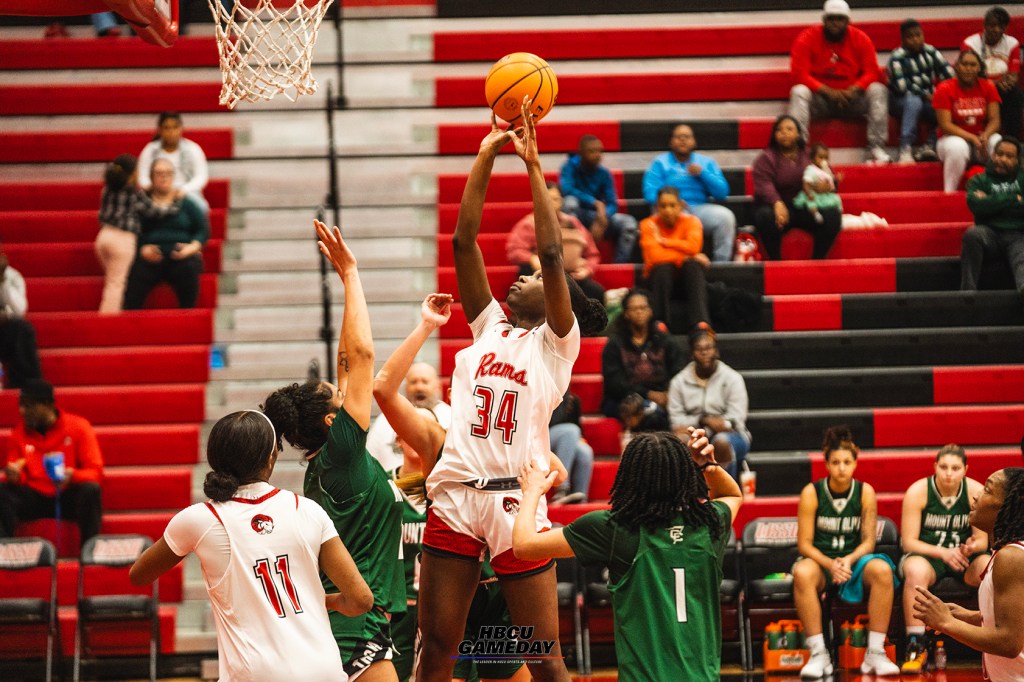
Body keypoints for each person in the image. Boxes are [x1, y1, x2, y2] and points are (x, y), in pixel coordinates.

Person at [414, 101, 607, 682]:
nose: (521, 275)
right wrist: (485, 153)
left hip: (512, 504)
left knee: (541, 657)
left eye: (537, 279)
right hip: (453, 494)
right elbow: (461, 240)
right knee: (438, 648)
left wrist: (532, 163)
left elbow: (551, 253)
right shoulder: (488, 325)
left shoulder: (556, 345)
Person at [262, 220, 406, 681]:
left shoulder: (329, 456)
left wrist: (347, 284)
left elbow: (348, 360)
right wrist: (352, 273)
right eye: (337, 394)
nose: (343, 388)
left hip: (349, 619)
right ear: (332, 420)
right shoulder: (343, 453)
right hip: (356, 624)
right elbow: (362, 357)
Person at [128, 410, 373, 681]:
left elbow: (139, 575)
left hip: (256, 674)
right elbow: (361, 600)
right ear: (272, 457)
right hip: (324, 670)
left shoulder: (200, 519)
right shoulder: (307, 509)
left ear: (215, 458)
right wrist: (319, 601)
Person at [373, 292, 540, 682]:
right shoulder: (437, 437)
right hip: (452, 590)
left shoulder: (509, 434)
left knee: (527, 669)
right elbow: (383, 391)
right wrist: (428, 326)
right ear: (455, 394)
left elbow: (556, 469)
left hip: (499, 588)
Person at [512, 430, 742, 681]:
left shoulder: (615, 528)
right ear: (686, 474)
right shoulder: (710, 524)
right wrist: (708, 466)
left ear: (630, 477)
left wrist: (532, 492)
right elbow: (732, 495)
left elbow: (523, 546)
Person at [794, 426, 900, 678]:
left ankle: (875, 653)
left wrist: (848, 561)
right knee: (801, 572)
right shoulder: (812, 492)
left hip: (854, 562)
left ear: (855, 461)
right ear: (826, 463)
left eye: (846, 462)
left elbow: (868, 543)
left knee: (883, 570)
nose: (841, 467)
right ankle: (819, 654)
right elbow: (804, 544)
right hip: (822, 562)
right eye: (835, 462)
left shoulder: (865, 492)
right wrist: (831, 564)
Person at [914, 467, 1024, 681]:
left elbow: (1010, 642)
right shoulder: (1007, 552)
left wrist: (947, 623)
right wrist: (971, 616)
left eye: (987, 490)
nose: (976, 495)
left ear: (1007, 505)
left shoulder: (1011, 557)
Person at [898, 444, 989, 673]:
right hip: (929, 557)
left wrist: (971, 547)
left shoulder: (975, 491)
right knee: (915, 571)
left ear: (965, 469)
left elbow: (982, 541)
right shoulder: (918, 491)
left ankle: (995, 634)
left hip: (964, 559)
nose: (949, 473)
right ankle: (916, 644)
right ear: (935, 467)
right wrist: (943, 552)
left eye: (955, 468)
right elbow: (908, 541)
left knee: (989, 566)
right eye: (944, 467)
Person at [0, 380, 103, 548]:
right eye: (21, 406)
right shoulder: (18, 434)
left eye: (29, 406)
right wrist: (15, 476)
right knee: (2, 491)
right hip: (35, 496)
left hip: (66, 493)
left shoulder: (79, 427)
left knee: (91, 490)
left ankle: (89, 550)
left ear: (48, 405)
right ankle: (5, 551)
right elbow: (18, 472)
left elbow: (95, 472)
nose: (22, 411)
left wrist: (74, 476)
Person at [789, 0, 891, 164]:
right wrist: (828, 91)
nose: (835, 23)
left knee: (878, 90)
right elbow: (799, 74)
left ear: (848, 21)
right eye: (831, 19)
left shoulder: (860, 39)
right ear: (824, 20)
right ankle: (799, 149)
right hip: (820, 100)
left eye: (840, 19)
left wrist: (854, 89)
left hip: (851, 100)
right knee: (799, 91)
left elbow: (872, 72)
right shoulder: (807, 38)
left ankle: (875, 148)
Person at [752, 115, 842, 261]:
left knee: (832, 215)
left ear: (798, 134)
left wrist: (828, 185)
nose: (784, 133)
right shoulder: (766, 158)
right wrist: (777, 202)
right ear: (774, 135)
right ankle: (776, 262)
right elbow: (763, 184)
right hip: (778, 206)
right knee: (764, 216)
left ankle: (817, 261)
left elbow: (829, 176)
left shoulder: (810, 155)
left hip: (805, 205)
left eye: (789, 129)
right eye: (779, 130)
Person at [641, 124, 736, 262]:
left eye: (687, 137)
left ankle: (721, 265)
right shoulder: (660, 163)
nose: (683, 140)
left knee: (725, 217)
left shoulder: (705, 163)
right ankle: (675, 262)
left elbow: (722, 193)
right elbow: (650, 193)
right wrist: (674, 204)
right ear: (671, 142)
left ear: (694, 142)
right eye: (678, 137)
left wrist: (703, 174)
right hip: (671, 209)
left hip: (699, 209)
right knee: (666, 214)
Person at [123, 158, 208, 310]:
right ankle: (132, 324)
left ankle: (187, 320)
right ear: (151, 177)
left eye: (168, 173)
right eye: (159, 173)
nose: (164, 177)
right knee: (135, 276)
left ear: (174, 177)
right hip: (150, 258)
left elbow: (202, 229)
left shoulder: (186, 203)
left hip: (181, 257)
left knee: (190, 269)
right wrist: (142, 249)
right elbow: (132, 232)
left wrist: (192, 247)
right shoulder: (140, 204)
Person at [667, 327, 751, 478]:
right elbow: (676, 423)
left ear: (716, 351)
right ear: (692, 354)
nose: (704, 353)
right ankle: (685, 495)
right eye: (699, 349)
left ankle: (723, 495)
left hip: (733, 436)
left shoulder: (732, 378)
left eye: (709, 348)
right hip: (693, 434)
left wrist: (721, 425)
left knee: (721, 442)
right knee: (679, 441)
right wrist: (703, 420)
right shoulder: (678, 382)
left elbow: (736, 420)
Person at [601, 288, 685, 436]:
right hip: (625, 399)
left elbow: (678, 372)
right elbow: (614, 383)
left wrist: (667, 394)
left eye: (643, 308)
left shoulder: (665, 340)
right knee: (649, 412)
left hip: (664, 396)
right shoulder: (615, 344)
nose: (639, 312)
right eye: (634, 309)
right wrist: (649, 394)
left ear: (650, 311)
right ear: (626, 313)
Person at [505, 183, 605, 303]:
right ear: (538, 200)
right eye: (547, 199)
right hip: (542, 277)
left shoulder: (573, 222)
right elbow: (514, 251)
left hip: (572, 277)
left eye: (556, 199)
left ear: (562, 201)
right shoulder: (528, 224)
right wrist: (532, 258)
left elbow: (592, 254)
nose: (552, 203)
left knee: (597, 292)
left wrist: (587, 270)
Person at [637, 186, 711, 334]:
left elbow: (694, 247)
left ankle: (700, 322)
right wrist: (684, 255)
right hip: (659, 281)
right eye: (663, 206)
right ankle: (660, 321)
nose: (668, 210)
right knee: (663, 267)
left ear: (681, 206)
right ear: (657, 207)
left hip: (686, 281)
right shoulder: (648, 224)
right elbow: (655, 257)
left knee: (693, 266)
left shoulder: (692, 222)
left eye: (672, 205)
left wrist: (664, 242)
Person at [559, 134, 639, 263]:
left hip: (597, 216)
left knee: (628, 223)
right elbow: (567, 190)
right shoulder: (569, 167)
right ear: (581, 153)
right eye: (592, 151)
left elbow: (612, 202)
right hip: (577, 215)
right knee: (569, 202)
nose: (597, 155)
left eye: (600, 151)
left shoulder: (604, 173)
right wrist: (594, 202)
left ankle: (619, 266)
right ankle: (572, 258)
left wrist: (603, 218)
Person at [960, 136, 1024, 295]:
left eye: (1009, 156)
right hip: (990, 234)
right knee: (972, 234)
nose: (1002, 159)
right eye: (999, 154)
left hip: (1018, 235)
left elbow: (986, 205)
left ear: (1018, 161)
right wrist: (1013, 199)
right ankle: (967, 294)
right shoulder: (978, 180)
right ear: (992, 155)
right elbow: (977, 206)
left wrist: (990, 201)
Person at [935, 49, 1003, 193]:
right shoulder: (944, 88)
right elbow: (945, 125)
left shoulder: (988, 86)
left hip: (980, 141)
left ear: (979, 68)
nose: (968, 68)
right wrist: (972, 138)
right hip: (950, 140)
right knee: (957, 147)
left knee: (997, 141)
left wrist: (985, 135)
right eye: (965, 64)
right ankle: (950, 193)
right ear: (957, 66)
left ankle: (998, 191)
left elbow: (995, 120)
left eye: (973, 65)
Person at [887, 19, 955, 163]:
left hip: (928, 100)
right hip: (899, 102)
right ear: (903, 40)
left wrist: (940, 94)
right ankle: (905, 148)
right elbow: (902, 87)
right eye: (910, 37)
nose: (915, 40)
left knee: (946, 106)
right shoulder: (897, 57)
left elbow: (949, 75)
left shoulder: (930, 51)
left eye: (918, 35)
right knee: (914, 100)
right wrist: (926, 95)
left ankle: (930, 145)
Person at [365, 362, 451, 472]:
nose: (419, 387)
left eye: (425, 382)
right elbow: (370, 462)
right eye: (413, 382)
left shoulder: (451, 417)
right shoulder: (385, 419)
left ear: (438, 386)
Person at [962, 6, 1022, 140]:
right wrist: (994, 84)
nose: (996, 30)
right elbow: (968, 76)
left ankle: (1012, 142)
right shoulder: (970, 43)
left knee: (1015, 94)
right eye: (992, 25)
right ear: (985, 25)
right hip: (978, 89)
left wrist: (1003, 83)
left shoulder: (1012, 43)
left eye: (1001, 26)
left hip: (1002, 90)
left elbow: (1013, 75)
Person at [95, 153, 143, 314]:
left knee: (113, 280)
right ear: (132, 174)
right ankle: (108, 322)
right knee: (115, 284)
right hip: (123, 240)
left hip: (103, 236)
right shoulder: (134, 193)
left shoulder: (107, 190)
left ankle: (119, 312)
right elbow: (151, 209)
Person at [137, 111, 210, 213]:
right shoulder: (150, 150)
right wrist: (155, 189)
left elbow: (201, 177)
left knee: (201, 207)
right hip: (156, 193)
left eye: (175, 127)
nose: (171, 132)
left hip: (186, 193)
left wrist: (183, 190)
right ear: (159, 130)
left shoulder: (193, 149)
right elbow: (142, 177)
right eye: (167, 128)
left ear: (181, 129)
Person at [0, 244, 42, 389]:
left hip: (4, 332)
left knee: (22, 328)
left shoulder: (11, 276)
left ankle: (27, 387)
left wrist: (2, 281)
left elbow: (19, 310)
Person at [547, 390, 592, 504]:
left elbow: (577, 426)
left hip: (565, 440)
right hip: (539, 438)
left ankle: (580, 500)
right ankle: (562, 488)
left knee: (585, 451)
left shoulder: (571, 399)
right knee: (571, 430)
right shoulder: (542, 390)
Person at [794, 142, 842, 225]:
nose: (824, 160)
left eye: (826, 158)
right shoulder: (810, 170)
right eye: (820, 157)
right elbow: (806, 183)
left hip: (824, 195)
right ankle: (816, 214)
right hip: (813, 193)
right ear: (812, 159)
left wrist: (836, 178)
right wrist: (808, 193)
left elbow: (830, 178)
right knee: (811, 202)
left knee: (837, 199)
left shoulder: (826, 169)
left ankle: (839, 217)